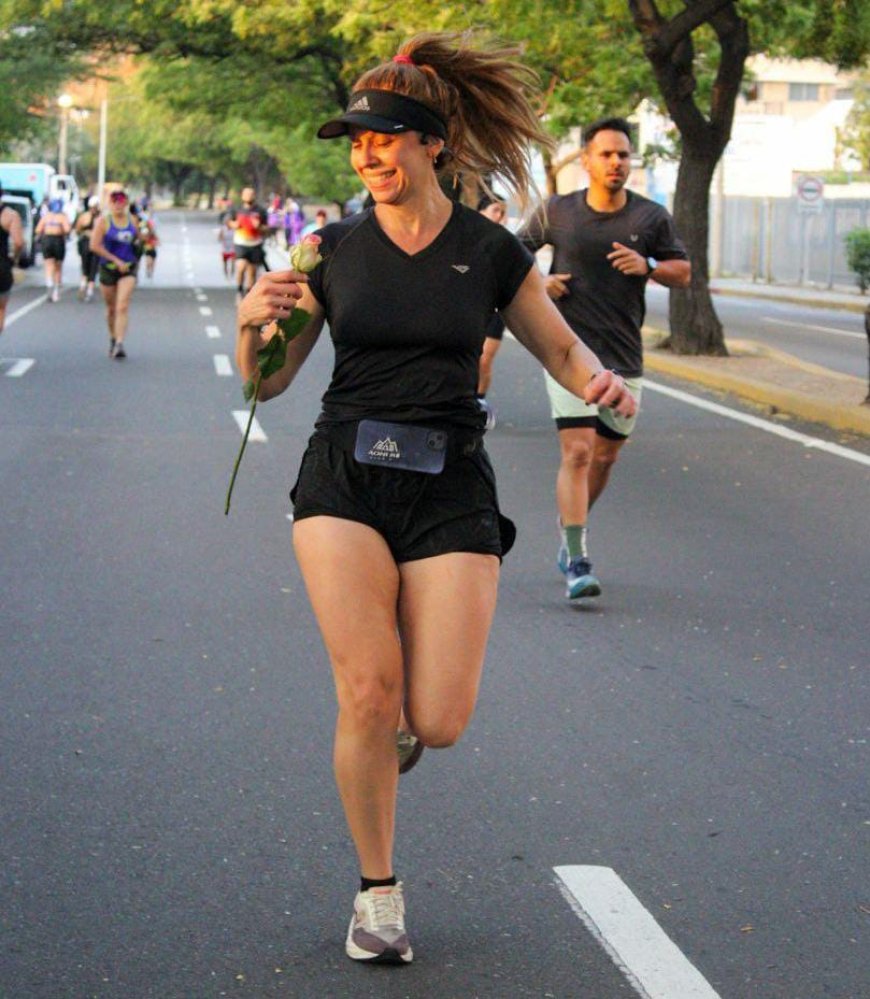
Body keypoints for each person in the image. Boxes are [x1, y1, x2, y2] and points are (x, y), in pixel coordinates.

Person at [235, 32, 636, 965]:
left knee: (440, 718)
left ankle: (402, 726)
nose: (367, 154)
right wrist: (256, 324)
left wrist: (604, 384)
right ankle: (378, 895)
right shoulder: (327, 248)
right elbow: (270, 384)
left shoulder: (492, 251)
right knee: (367, 691)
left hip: (451, 476)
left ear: (431, 144)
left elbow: (562, 352)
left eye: (383, 138)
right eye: (355, 143)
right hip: (345, 474)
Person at [518, 116, 690, 601]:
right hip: (568, 351)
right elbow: (511, 254)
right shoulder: (557, 211)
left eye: (623, 155)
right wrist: (540, 284)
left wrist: (650, 265)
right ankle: (577, 556)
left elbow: (684, 272)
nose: (616, 162)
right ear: (587, 160)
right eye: (607, 154)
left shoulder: (650, 218)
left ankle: (571, 526)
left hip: (623, 352)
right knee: (576, 451)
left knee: (606, 455)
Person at [90, 189, 140, 359]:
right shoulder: (103, 222)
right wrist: (115, 260)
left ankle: (119, 343)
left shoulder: (132, 221)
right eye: (114, 201)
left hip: (128, 268)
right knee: (111, 309)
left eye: (121, 201)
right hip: (108, 268)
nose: (118, 204)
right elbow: (94, 246)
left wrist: (147, 243)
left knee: (122, 305)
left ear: (126, 203)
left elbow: (139, 239)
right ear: (109, 203)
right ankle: (112, 338)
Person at [475, 194, 509, 430]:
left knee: (485, 358)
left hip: (496, 309)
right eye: (496, 210)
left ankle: (479, 400)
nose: (501, 216)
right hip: (469, 308)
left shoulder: (507, 243)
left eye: (504, 212)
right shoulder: (463, 237)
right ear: (481, 212)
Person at [227, 187, 268, 300]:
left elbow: (266, 228)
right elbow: (229, 222)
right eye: (247, 194)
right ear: (242, 196)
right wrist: (233, 224)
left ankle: (248, 295)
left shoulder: (260, 211)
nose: (249, 196)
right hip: (241, 243)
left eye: (251, 194)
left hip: (255, 244)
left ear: (254, 196)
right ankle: (239, 291)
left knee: (252, 272)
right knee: (241, 267)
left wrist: (259, 226)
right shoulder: (236, 209)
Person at [35, 198, 71, 303]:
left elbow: (38, 229)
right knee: (58, 266)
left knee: (48, 264)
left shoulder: (46, 217)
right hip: (58, 240)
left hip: (46, 240)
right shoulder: (63, 217)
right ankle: (55, 291)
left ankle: (49, 285)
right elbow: (67, 229)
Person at [0, 184, 25, 334]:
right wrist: (14, 259)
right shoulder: (10, 215)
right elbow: (18, 242)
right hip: (2, 265)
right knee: (1, 309)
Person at [74, 196, 101, 301]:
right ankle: (88, 289)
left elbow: (77, 230)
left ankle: (84, 286)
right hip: (93, 244)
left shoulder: (84, 217)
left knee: (86, 267)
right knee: (93, 268)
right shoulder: (100, 218)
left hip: (87, 244)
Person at [137, 210, 160, 278]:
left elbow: (156, 238)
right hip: (147, 248)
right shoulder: (143, 228)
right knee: (148, 261)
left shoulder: (152, 232)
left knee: (152, 262)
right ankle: (148, 271)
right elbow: (141, 237)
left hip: (152, 248)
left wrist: (157, 242)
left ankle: (151, 272)